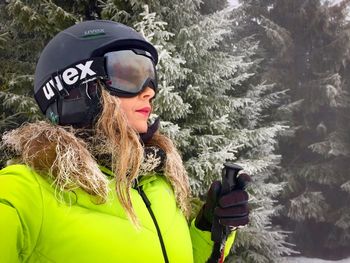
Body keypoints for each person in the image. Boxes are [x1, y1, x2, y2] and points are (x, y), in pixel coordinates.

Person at [0, 20, 249, 263]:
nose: (149, 91)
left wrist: (209, 229)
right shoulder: (26, 192)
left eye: (151, 76)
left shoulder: (157, 183)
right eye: (129, 74)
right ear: (76, 87)